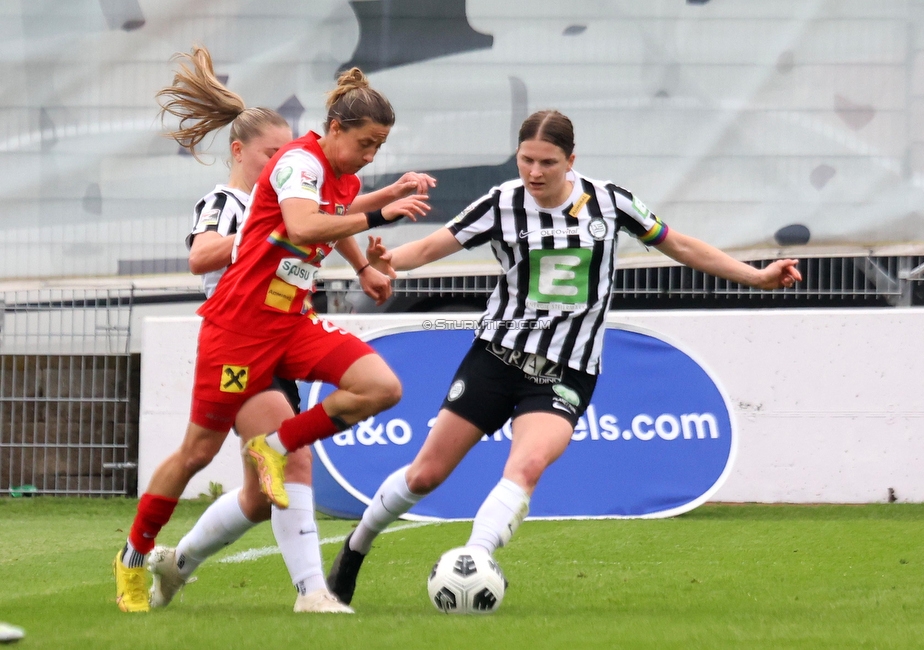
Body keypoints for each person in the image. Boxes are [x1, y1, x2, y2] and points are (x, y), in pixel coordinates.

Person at [325, 109, 802, 605]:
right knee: (426, 473)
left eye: (547, 162)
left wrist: (757, 275)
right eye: (526, 160)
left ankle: (474, 560)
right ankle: (355, 549)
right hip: (496, 357)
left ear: (571, 160)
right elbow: (427, 249)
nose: (534, 172)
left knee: (527, 464)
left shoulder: (611, 203)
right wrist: (383, 263)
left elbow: (680, 245)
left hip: (566, 371)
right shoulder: (501, 203)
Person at [113, 56, 434, 614]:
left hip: (291, 323)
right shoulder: (297, 165)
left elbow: (332, 215)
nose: (371, 155)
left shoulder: (339, 174)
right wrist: (380, 214)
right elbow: (308, 225)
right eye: (367, 143)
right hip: (238, 330)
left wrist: (365, 264)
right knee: (198, 451)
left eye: (379, 146)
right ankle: (135, 557)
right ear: (335, 129)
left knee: (381, 387)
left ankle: (281, 474)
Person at [135, 46, 348, 615]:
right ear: (239, 151)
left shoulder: (290, 202)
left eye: (287, 152)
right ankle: (313, 593)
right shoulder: (228, 203)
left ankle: (177, 564)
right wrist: (261, 237)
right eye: (270, 153)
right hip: (239, 343)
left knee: (257, 497)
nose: (283, 162)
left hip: (282, 341)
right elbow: (202, 255)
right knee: (290, 457)